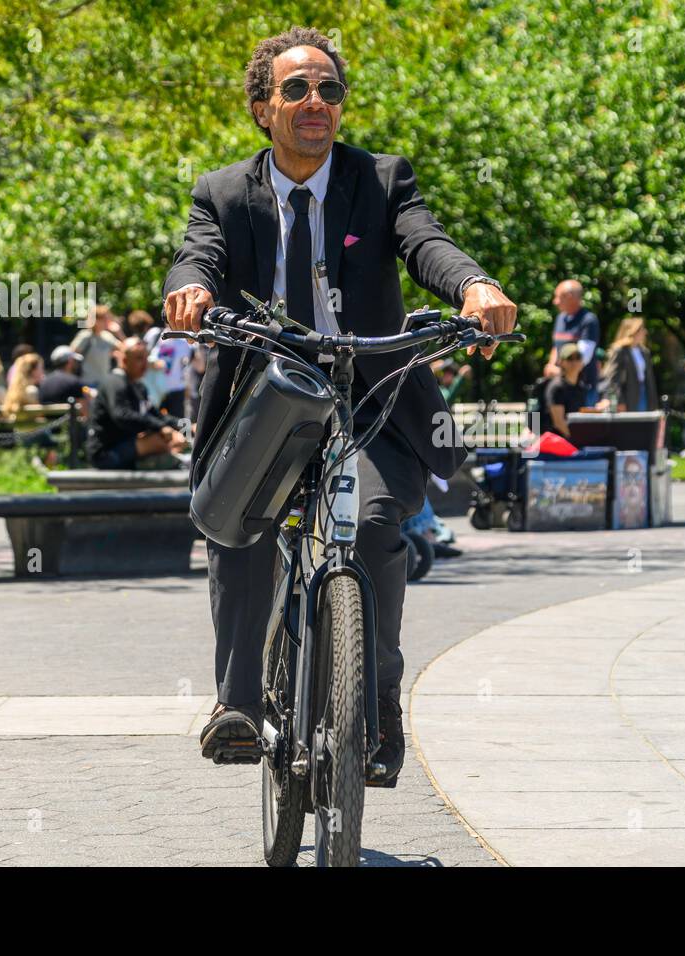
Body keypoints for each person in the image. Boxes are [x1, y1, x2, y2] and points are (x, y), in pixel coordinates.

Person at [162, 27, 516, 780]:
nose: (316, 102)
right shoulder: (223, 192)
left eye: (330, 89)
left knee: (383, 526)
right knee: (242, 526)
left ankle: (377, 707)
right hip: (268, 390)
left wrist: (474, 285)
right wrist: (188, 288)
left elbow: (426, 243)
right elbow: (199, 254)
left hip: (372, 387)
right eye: (297, 89)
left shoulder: (381, 179)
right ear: (263, 108)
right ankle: (239, 708)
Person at [86, 338, 187, 470]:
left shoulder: (138, 387)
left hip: (127, 446)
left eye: (146, 358)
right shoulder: (115, 383)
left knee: (171, 437)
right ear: (124, 360)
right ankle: (172, 462)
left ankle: (171, 461)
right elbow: (122, 415)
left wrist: (188, 427)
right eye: (139, 358)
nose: (145, 364)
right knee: (160, 439)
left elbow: (158, 416)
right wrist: (161, 429)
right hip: (106, 453)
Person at [544, 279, 600, 405]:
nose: (555, 302)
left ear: (569, 297)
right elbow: (556, 346)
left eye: (558, 297)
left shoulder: (588, 320)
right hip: (562, 385)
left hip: (583, 387)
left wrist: (560, 371)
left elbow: (583, 357)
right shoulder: (560, 318)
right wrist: (551, 365)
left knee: (581, 424)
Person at [598, 317, 657, 412]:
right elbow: (613, 379)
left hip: (644, 393)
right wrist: (619, 401)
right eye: (641, 329)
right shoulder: (620, 351)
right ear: (634, 331)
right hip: (628, 395)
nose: (645, 332)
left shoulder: (644, 352)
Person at [540, 343, 588, 439]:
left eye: (578, 358)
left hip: (572, 440)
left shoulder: (581, 387)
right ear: (561, 362)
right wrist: (578, 440)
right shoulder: (557, 387)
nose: (574, 362)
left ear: (582, 363)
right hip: (555, 441)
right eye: (570, 358)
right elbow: (559, 423)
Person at [71, 305, 124, 388]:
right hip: (87, 384)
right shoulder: (85, 336)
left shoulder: (107, 336)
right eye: (105, 319)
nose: (109, 321)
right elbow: (71, 356)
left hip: (104, 384)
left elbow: (127, 350)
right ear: (96, 320)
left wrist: (119, 333)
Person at [1, 353, 43, 418]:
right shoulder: (32, 391)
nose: (42, 372)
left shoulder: (13, 391)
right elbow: (39, 416)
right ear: (33, 371)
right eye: (40, 368)